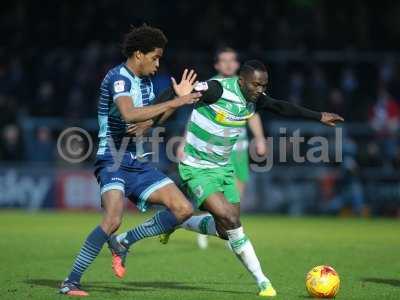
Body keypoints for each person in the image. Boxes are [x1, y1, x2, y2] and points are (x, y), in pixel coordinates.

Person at [117, 60, 343, 297]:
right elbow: (178, 92)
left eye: (264, 85)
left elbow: (282, 107)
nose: (260, 90)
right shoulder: (217, 89)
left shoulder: (255, 99)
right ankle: (263, 282)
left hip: (224, 169)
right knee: (231, 219)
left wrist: (319, 116)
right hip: (196, 168)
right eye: (256, 85)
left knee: (225, 230)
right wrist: (148, 120)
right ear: (242, 81)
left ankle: (179, 221)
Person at [59, 25, 201, 296]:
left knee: (183, 209)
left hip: (138, 161)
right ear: (139, 54)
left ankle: (125, 242)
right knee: (112, 219)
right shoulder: (118, 78)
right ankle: (70, 281)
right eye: (155, 57)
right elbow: (128, 113)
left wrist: (175, 100)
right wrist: (175, 102)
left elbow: (150, 120)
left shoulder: (146, 82)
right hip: (111, 158)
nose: (158, 64)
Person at [176, 47, 267, 249]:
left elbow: (254, 114)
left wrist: (260, 138)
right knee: (211, 193)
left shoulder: (249, 88)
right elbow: (195, 118)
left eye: (232, 60)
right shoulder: (214, 86)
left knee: (236, 194)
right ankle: (204, 229)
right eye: (224, 61)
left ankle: (230, 230)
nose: (228, 64)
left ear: (237, 65)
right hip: (211, 149)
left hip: (239, 148)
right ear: (217, 65)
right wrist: (184, 142)